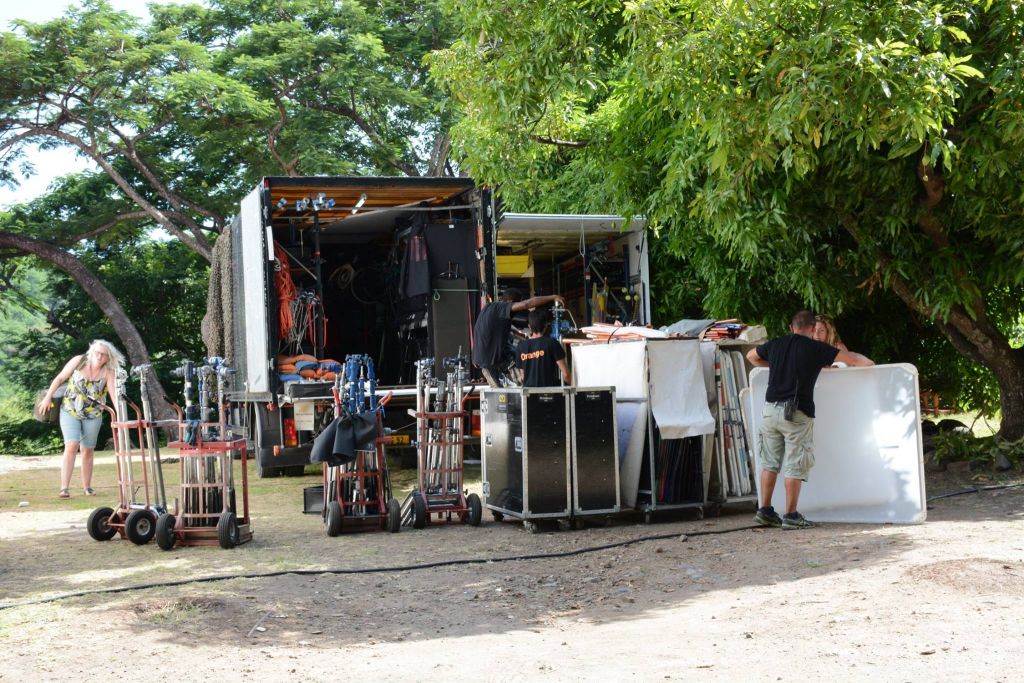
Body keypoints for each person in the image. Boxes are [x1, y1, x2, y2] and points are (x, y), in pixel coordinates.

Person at [745, 310, 873, 530]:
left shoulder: (776, 344)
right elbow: (851, 359)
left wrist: (773, 364)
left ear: (791, 327)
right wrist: (870, 364)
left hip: (770, 410)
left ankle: (765, 511)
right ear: (813, 328)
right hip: (796, 412)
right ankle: (791, 515)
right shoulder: (816, 348)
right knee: (795, 464)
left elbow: (751, 356)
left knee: (769, 463)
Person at [36, 340, 124, 498]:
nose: (99, 356)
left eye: (103, 354)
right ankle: (64, 488)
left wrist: (120, 415)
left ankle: (87, 487)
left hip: (93, 414)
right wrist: (47, 397)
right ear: (92, 351)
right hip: (70, 409)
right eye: (97, 352)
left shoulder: (109, 372)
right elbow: (60, 378)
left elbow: (114, 396)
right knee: (71, 445)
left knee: (87, 450)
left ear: (108, 357)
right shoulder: (79, 361)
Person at [472, 288, 564, 387]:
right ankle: (513, 370)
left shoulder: (490, 309)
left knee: (514, 349)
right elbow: (526, 304)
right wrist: (553, 297)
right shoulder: (502, 307)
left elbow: (501, 331)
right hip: (489, 357)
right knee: (518, 356)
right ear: (511, 302)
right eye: (518, 303)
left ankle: (509, 369)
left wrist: (524, 337)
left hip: (482, 356)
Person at [516, 309, 571, 387]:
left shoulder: (521, 346)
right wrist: (568, 389)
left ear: (529, 326)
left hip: (529, 395)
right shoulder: (552, 343)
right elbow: (566, 374)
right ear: (545, 325)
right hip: (551, 394)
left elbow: (523, 376)